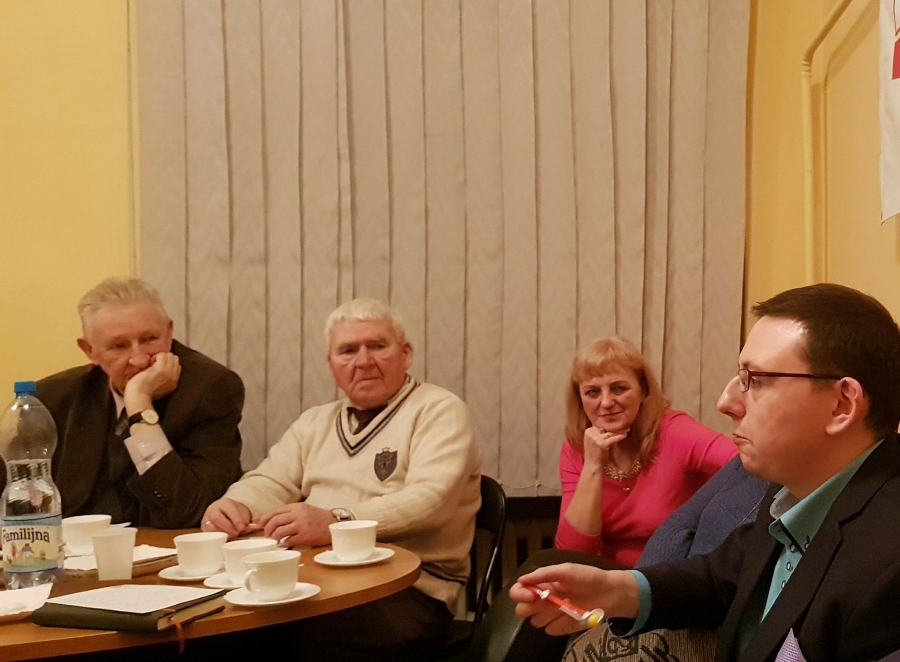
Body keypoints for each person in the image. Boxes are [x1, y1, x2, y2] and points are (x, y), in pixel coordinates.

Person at [512, 283, 900, 662]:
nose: (725, 402)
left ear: (841, 405)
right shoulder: (794, 487)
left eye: (756, 380)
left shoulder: (887, 570)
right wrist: (616, 590)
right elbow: (723, 577)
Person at [202, 297, 481, 662]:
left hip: (410, 588)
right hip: (316, 578)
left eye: (377, 346)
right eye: (348, 350)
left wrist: (336, 521)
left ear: (406, 354)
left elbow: (431, 501)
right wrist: (235, 504)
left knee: (296, 643)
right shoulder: (314, 422)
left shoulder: (439, 410)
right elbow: (270, 481)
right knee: (216, 631)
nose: (363, 361)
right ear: (332, 366)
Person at [0, 278, 244, 529]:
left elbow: (187, 510)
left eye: (150, 339)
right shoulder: (51, 399)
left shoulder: (210, 389)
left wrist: (139, 405)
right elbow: (12, 500)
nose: (139, 360)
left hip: (166, 546)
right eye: (119, 346)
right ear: (89, 350)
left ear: (169, 333)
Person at [557, 337, 737, 567]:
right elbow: (573, 554)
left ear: (643, 391)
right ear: (580, 399)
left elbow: (749, 463)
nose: (606, 402)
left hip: (672, 571)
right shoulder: (576, 449)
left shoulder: (676, 432)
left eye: (619, 388)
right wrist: (593, 465)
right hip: (609, 576)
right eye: (592, 392)